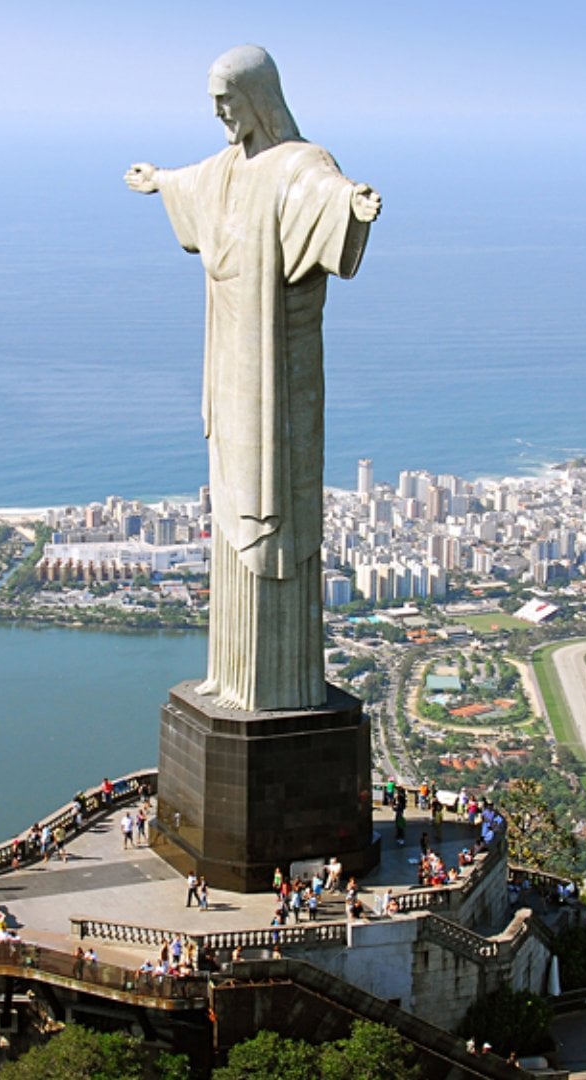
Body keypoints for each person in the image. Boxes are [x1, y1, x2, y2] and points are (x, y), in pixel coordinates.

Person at [126, 45, 379, 712]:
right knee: (234, 507)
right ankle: (231, 678)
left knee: (276, 513)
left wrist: (351, 206)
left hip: (277, 370)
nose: (219, 114)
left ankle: (280, 686)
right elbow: (194, 184)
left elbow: (323, 196)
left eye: (228, 101)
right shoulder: (228, 167)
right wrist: (160, 180)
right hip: (232, 364)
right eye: (213, 103)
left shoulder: (300, 164)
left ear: (259, 97)